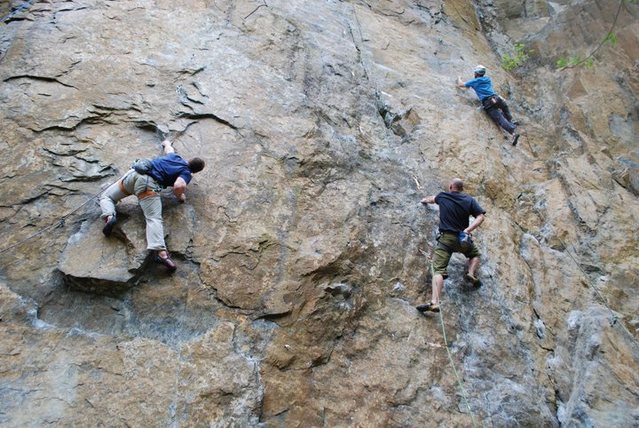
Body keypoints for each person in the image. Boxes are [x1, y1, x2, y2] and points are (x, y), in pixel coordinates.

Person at [99, 140, 205, 272]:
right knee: (153, 218)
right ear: (196, 171)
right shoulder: (186, 173)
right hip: (147, 186)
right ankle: (162, 254)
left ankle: (109, 216)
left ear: (188, 160)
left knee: (106, 197)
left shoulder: (175, 157)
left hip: (133, 175)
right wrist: (180, 196)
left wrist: (166, 143)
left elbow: (169, 149)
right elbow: (179, 186)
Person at [416, 178, 486, 313]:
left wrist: (424, 200)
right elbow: (481, 216)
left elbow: (431, 199)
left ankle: (435, 302)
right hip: (462, 239)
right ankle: (470, 273)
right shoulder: (469, 200)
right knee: (475, 254)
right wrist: (468, 230)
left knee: (438, 270)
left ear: (450, 187)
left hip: (446, 240)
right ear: (462, 188)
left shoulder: (443, 196)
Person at [457, 65, 520, 146]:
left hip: (488, 102)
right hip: (497, 98)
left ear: (476, 73)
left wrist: (459, 78)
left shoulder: (475, 81)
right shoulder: (487, 79)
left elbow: (461, 84)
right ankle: (511, 122)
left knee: (500, 118)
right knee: (505, 108)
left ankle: (513, 133)